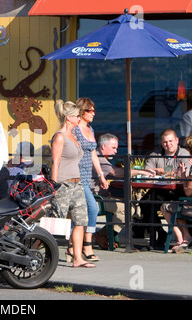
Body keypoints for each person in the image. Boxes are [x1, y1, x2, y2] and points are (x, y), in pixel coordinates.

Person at [91, 133, 156, 249]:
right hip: (96, 199)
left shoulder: (99, 157)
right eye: (114, 148)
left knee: (125, 205)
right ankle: (101, 235)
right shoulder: (100, 159)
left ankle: (103, 235)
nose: (116, 152)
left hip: (100, 196)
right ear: (103, 147)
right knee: (128, 209)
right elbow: (117, 173)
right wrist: (142, 171)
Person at [51, 100, 95, 268]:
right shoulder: (60, 137)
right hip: (63, 184)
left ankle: (77, 258)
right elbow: (55, 162)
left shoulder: (74, 135)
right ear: (69, 118)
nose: (79, 118)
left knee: (80, 220)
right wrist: (54, 186)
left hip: (77, 183)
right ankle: (32, 249)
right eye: (77, 116)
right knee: (55, 221)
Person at [136, 128, 191, 244]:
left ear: (176, 140)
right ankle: (160, 232)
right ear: (162, 143)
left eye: (171, 141)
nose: (168, 144)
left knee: (175, 205)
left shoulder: (184, 154)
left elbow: (184, 174)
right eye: (165, 142)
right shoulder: (155, 154)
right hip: (159, 189)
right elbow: (147, 171)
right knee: (144, 203)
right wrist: (169, 172)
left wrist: (161, 171)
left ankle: (181, 237)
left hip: (178, 191)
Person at [160, 133, 192, 253]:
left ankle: (181, 239)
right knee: (177, 205)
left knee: (165, 207)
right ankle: (187, 237)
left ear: (189, 150)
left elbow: (189, 191)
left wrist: (184, 176)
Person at [73, 98, 108, 261]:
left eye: (94, 111)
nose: (94, 113)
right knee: (92, 208)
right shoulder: (74, 129)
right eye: (90, 111)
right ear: (82, 111)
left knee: (80, 212)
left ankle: (73, 247)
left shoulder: (90, 129)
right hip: (76, 175)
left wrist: (101, 174)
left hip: (88, 175)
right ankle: (87, 245)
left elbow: (93, 153)